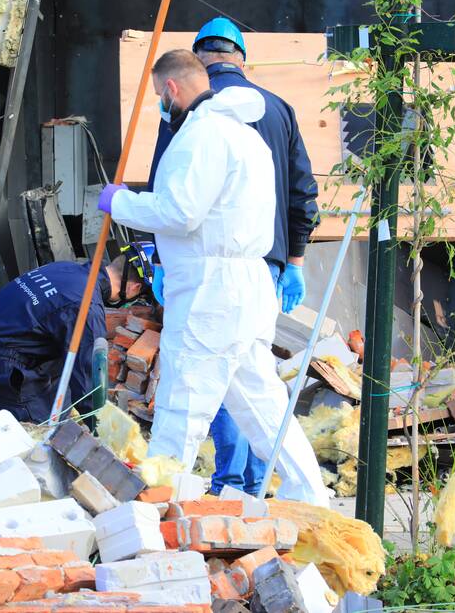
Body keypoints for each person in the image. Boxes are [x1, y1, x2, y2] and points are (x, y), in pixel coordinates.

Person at [98, 49, 329, 507]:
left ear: (171, 89)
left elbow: (178, 212)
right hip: (247, 284)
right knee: (263, 405)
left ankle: (158, 511)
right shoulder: (247, 138)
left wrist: (118, 202)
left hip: (211, 289)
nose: (161, 108)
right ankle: (312, 497)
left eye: (159, 97)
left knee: (182, 400)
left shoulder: (199, 136)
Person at [149, 18, 320, 497]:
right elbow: (302, 191)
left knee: (205, 383)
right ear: (243, 58)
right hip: (263, 265)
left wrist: (158, 260)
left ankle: (226, 483)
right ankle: (271, 489)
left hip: (207, 269)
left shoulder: (188, 113)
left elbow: (170, 194)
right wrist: (296, 261)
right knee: (250, 380)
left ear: (197, 59)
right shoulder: (277, 108)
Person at [0, 243, 154, 422]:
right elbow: (88, 387)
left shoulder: (65, 268)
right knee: (49, 431)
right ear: (134, 288)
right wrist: (104, 429)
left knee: (63, 396)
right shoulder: (86, 308)